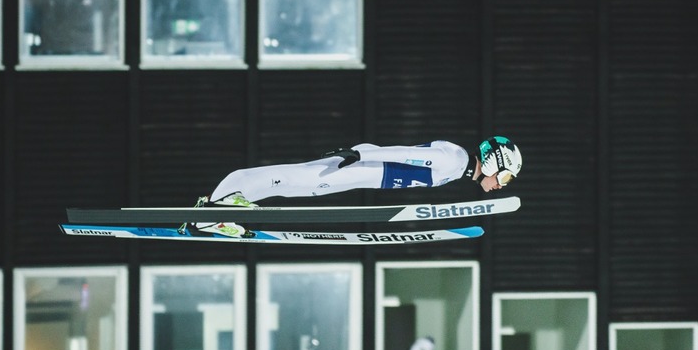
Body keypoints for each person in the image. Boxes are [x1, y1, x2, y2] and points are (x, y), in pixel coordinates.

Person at [186, 136, 524, 237]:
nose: (502, 185)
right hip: (362, 168)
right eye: (505, 177)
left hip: (365, 170)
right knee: (293, 180)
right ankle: (215, 211)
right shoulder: (455, 161)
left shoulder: (458, 166)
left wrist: (364, 153)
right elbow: (406, 154)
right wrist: (360, 154)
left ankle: (220, 207)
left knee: (291, 184)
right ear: (493, 162)